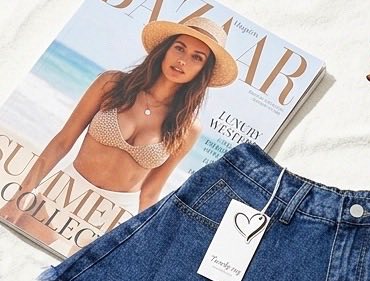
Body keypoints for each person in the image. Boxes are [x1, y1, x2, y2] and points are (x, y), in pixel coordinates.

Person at [1, 16, 237, 249]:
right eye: (179, 48)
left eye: (197, 57)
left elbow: (150, 192)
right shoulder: (112, 84)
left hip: (115, 217)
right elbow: (62, 142)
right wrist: (19, 196)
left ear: (203, 70)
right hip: (64, 192)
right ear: (166, 49)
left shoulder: (187, 127)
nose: (183, 60)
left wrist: (140, 244)